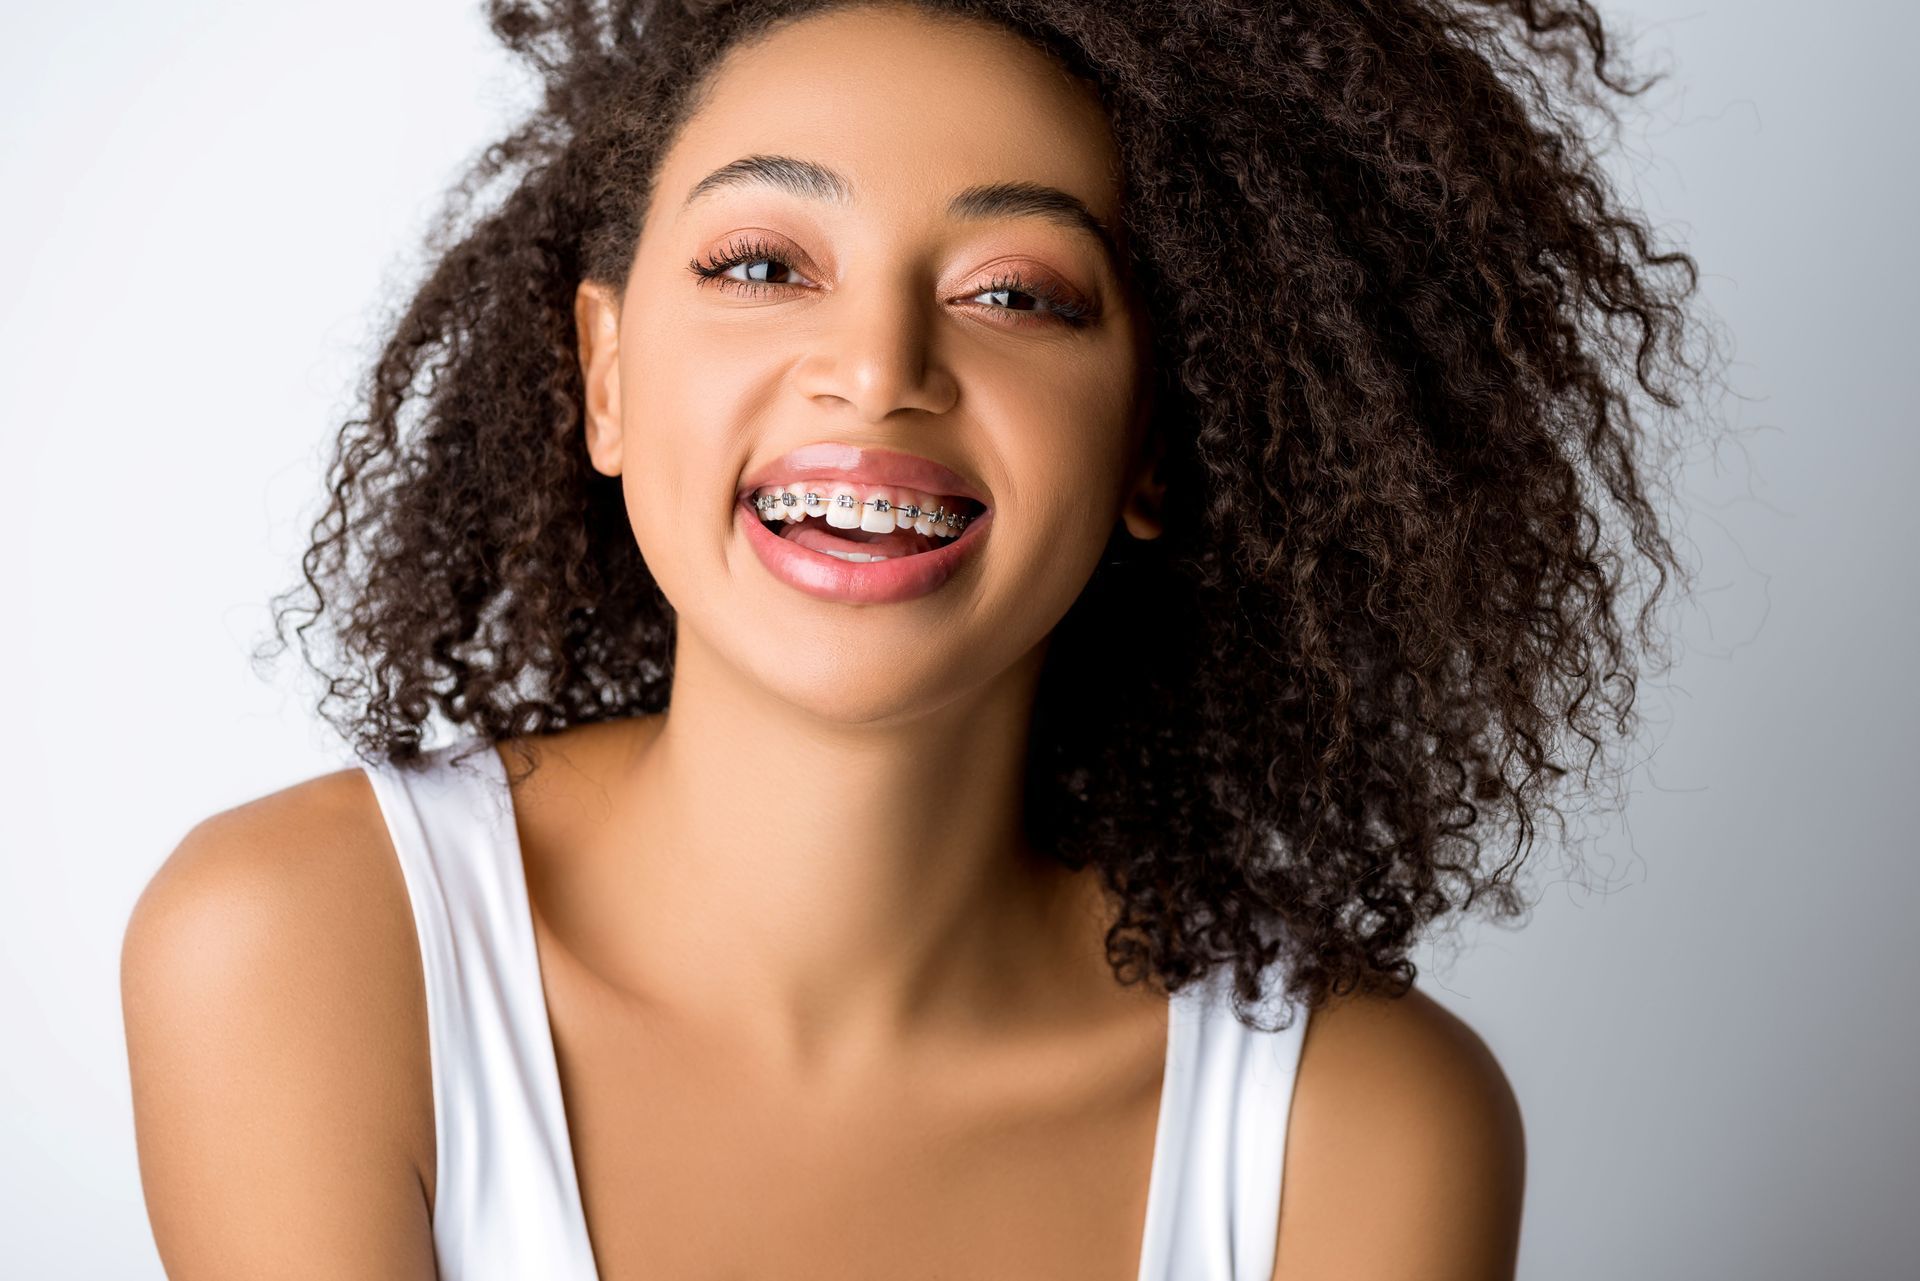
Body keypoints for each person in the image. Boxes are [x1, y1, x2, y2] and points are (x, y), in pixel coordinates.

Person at [120, 0, 1707, 1276]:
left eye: (1018, 294)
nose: (877, 368)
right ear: (603, 373)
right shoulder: (308, 950)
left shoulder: (1360, 1130)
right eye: (760, 265)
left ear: (1158, 436)